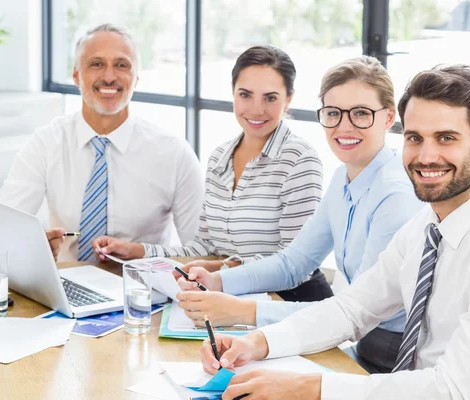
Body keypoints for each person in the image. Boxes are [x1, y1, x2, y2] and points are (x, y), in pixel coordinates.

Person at [197, 65, 470, 400]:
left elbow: (451, 389)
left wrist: (309, 387)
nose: (426, 156)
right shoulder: (427, 227)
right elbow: (352, 309)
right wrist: (257, 342)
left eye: (446, 138)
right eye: (415, 138)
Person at [175, 56, 423, 373]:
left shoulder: (395, 194)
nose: (344, 126)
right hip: (359, 341)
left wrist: (242, 310)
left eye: (360, 113)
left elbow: (356, 313)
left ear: (389, 117)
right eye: (333, 113)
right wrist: (219, 280)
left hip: (391, 355)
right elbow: (294, 262)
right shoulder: (344, 179)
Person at [94, 45, 333, 302]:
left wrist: (223, 269)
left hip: (291, 301)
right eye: (245, 95)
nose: (256, 109)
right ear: (233, 93)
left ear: (289, 98)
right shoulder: (220, 158)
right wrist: (137, 250)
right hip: (233, 299)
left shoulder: (299, 160)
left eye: (270, 98)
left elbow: (294, 264)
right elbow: (205, 248)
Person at [0, 24, 204, 262]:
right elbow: (2, 232)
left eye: (121, 65)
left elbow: (201, 252)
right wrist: (31, 248)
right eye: (96, 64)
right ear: (76, 75)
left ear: (136, 77)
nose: (108, 76)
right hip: (66, 290)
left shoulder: (174, 154)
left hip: (143, 291)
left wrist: (143, 252)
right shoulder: (46, 143)